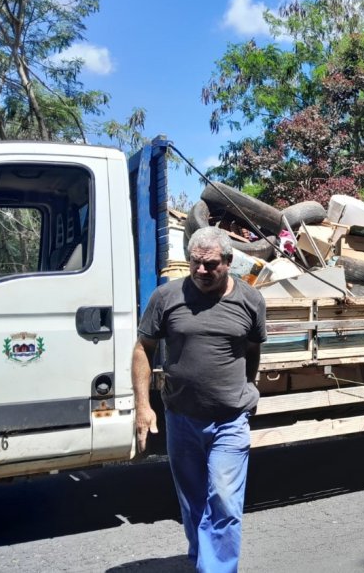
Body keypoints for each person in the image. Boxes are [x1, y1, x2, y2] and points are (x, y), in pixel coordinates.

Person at [132, 226, 266, 573]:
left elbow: (252, 350)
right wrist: (143, 407)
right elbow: (143, 349)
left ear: (229, 261)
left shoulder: (251, 301)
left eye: (211, 264)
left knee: (223, 500)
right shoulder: (166, 297)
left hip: (230, 418)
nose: (202, 271)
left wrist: (243, 390)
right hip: (181, 417)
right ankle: (202, 559)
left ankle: (217, 568)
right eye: (196, 263)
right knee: (192, 500)